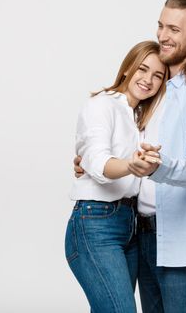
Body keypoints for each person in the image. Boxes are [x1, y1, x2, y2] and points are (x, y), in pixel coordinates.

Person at [74, 0, 186, 313]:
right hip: (140, 237)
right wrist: (89, 162)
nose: (162, 35)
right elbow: (121, 148)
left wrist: (157, 168)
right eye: (160, 26)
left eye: (173, 29)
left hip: (179, 240)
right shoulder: (158, 92)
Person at [65, 40, 169, 313]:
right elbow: (98, 162)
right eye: (143, 69)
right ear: (127, 69)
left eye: (158, 75)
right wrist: (130, 165)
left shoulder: (141, 118)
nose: (148, 80)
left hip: (131, 225)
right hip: (97, 223)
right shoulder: (102, 105)